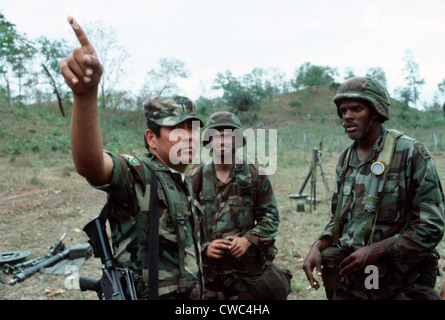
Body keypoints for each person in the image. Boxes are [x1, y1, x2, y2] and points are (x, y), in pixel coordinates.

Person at [60, 17, 204, 300]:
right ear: (152, 139)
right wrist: (85, 96)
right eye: (176, 128)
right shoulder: (141, 173)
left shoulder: (185, 182)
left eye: (192, 128)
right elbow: (91, 164)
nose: (188, 136)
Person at [302, 76, 445, 300]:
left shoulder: (409, 153)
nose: (347, 116)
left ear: (376, 111)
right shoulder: (345, 158)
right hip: (351, 279)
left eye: (356, 109)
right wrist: (318, 245)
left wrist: (380, 249)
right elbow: (339, 219)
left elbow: (432, 224)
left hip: (397, 282)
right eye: (343, 111)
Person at [188, 111, 282, 300]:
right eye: (216, 135)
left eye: (229, 135)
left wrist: (248, 240)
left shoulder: (255, 175)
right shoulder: (196, 178)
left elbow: (270, 218)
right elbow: (185, 224)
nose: (222, 140)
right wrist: (205, 247)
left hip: (245, 275)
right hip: (208, 276)